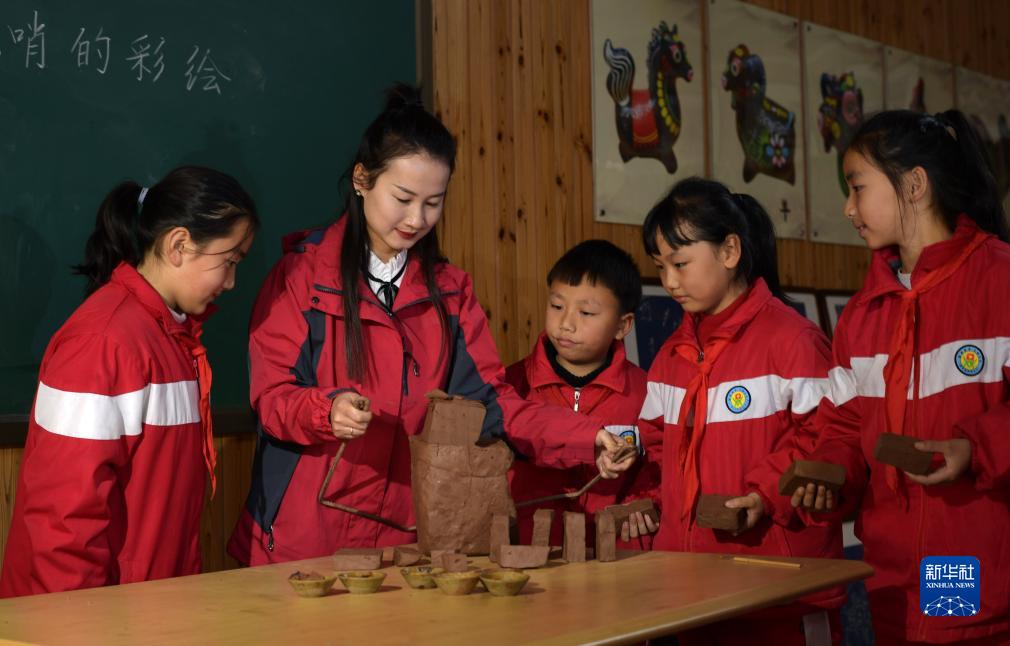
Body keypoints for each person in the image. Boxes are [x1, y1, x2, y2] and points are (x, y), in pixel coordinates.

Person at [227, 85, 632, 565]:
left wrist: (588, 438)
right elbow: (271, 397)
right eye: (403, 198)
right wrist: (325, 411)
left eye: (433, 202)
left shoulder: (451, 294)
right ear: (361, 179)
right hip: (302, 542)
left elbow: (495, 408)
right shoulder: (301, 276)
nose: (417, 219)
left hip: (405, 543)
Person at [787, 110, 1010, 645]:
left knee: (947, 633)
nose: (848, 208)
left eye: (857, 187)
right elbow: (843, 426)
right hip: (888, 569)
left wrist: (975, 449)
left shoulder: (998, 280)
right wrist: (830, 477)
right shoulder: (862, 313)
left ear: (914, 185)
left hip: (967, 558)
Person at [0, 166, 258, 597]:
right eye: (229, 261)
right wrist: (79, 626)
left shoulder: (170, 338)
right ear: (178, 245)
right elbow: (63, 523)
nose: (232, 283)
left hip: (145, 610)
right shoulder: (103, 343)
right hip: (89, 618)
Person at [638, 177, 845, 644]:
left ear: (730, 251)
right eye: (660, 266)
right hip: (692, 592)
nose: (669, 281)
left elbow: (827, 438)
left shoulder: (793, 341)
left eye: (680, 263)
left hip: (779, 592)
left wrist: (764, 494)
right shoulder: (670, 357)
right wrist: (651, 501)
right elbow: (656, 450)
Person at [506, 239, 657, 549]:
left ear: (623, 325)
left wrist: (647, 501)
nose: (566, 323)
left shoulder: (646, 392)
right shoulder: (512, 385)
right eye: (556, 306)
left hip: (616, 558)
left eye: (586, 312)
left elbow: (663, 464)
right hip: (529, 554)